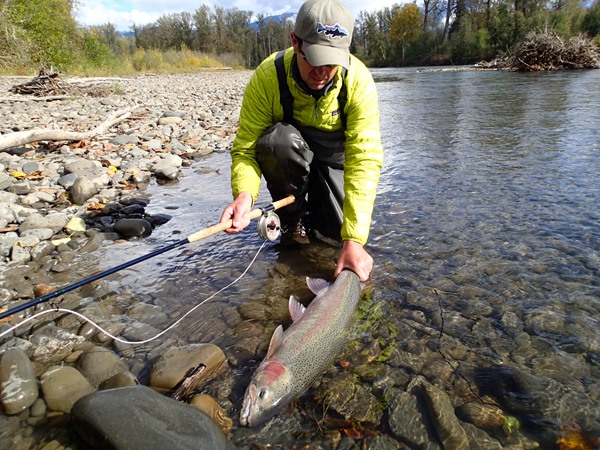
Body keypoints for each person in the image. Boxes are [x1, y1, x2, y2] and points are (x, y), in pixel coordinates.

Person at [219, 0, 383, 282]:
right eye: (314, 60)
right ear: (295, 42)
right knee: (276, 141)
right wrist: (244, 194)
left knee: (336, 238)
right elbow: (246, 147)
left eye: (331, 63)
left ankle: (323, 218)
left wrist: (354, 239)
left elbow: (364, 160)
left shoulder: (358, 81)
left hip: (335, 160)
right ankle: (294, 221)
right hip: (290, 154)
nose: (322, 72)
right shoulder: (269, 76)